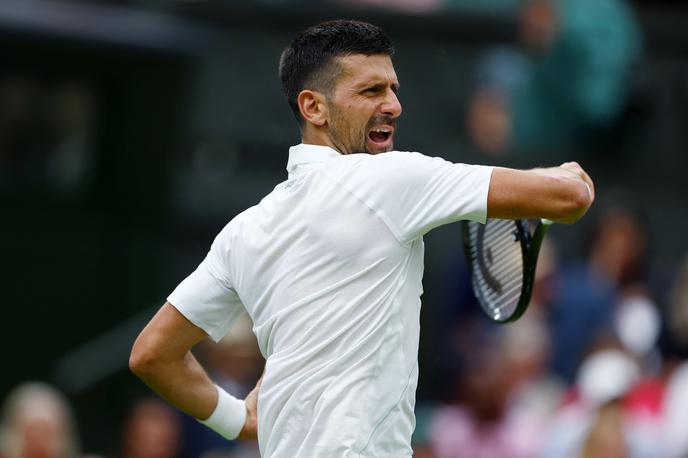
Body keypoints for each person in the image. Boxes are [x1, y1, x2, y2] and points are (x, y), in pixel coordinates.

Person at [129, 19, 594, 458]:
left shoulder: (245, 230)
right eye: (372, 90)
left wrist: (238, 420)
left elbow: (153, 354)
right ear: (314, 107)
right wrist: (563, 174)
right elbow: (570, 197)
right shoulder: (393, 179)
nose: (393, 104)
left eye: (393, 89)